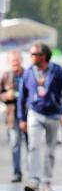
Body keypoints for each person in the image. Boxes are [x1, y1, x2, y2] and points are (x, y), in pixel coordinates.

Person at [18, 43, 62, 191]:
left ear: (43, 56)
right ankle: (34, 180)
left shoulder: (56, 71)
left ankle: (47, 182)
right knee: (34, 146)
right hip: (35, 113)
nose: (31, 57)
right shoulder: (29, 72)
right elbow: (22, 97)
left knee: (50, 150)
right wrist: (21, 118)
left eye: (33, 54)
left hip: (54, 114)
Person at [0, 51, 26, 182]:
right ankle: (17, 172)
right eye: (13, 61)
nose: (15, 63)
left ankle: (33, 174)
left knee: (31, 145)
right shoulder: (5, 75)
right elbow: (0, 94)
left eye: (17, 60)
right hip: (12, 115)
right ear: (10, 62)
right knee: (15, 144)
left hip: (27, 114)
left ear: (21, 60)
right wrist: (6, 96)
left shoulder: (28, 73)